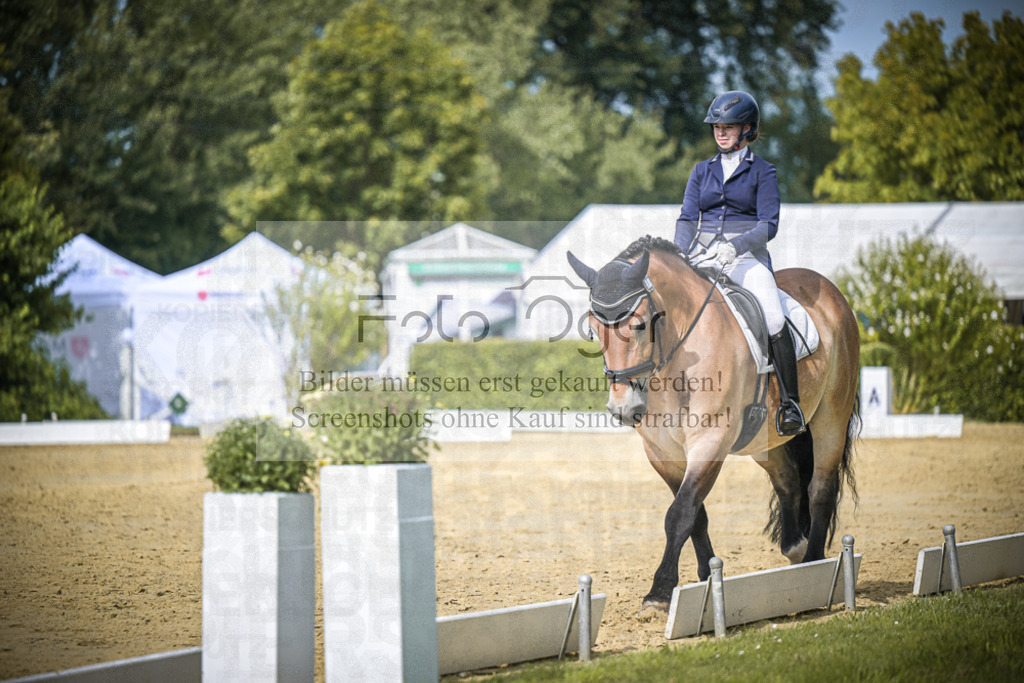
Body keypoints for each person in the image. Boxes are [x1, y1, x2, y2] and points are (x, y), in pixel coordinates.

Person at [673, 90, 806, 436]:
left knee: (774, 315)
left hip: (746, 258)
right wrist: (679, 253)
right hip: (703, 257)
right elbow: (688, 218)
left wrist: (736, 246)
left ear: (747, 128)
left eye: (728, 126)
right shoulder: (701, 171)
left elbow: (768, 225)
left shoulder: (763, 171)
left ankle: (790, 404)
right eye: (716, 126)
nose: (720, 132)